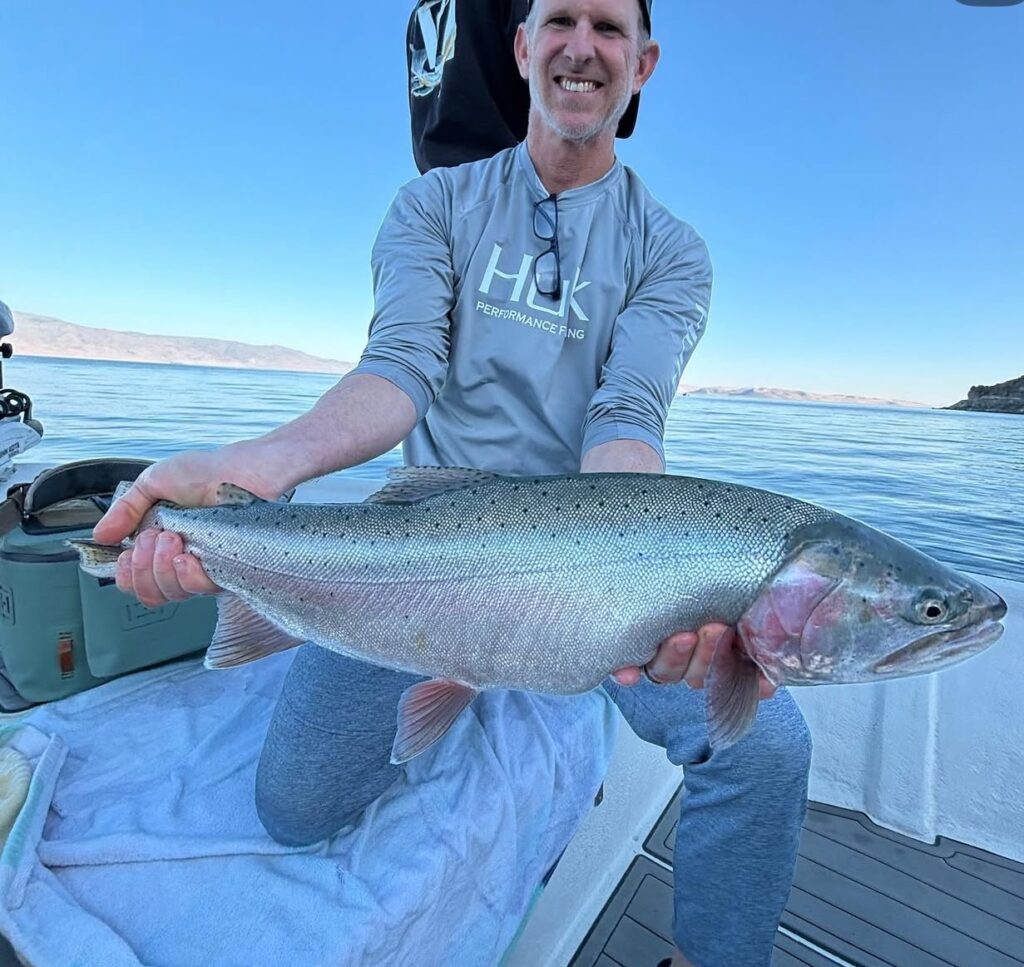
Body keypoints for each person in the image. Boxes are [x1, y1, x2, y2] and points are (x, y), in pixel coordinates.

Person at [95, 2, 811, 964]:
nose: (581, 46)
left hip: (589, 577)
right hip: (419, 550)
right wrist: (255, 467)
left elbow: (628, 414)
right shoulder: (432, 206)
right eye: (560, 18)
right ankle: (479, 670)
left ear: (643, 64)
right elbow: (397, 372)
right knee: (293, 810)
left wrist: (653, 574)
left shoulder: (672, 251)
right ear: (521, 48)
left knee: (767, 749)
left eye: (609, 28)